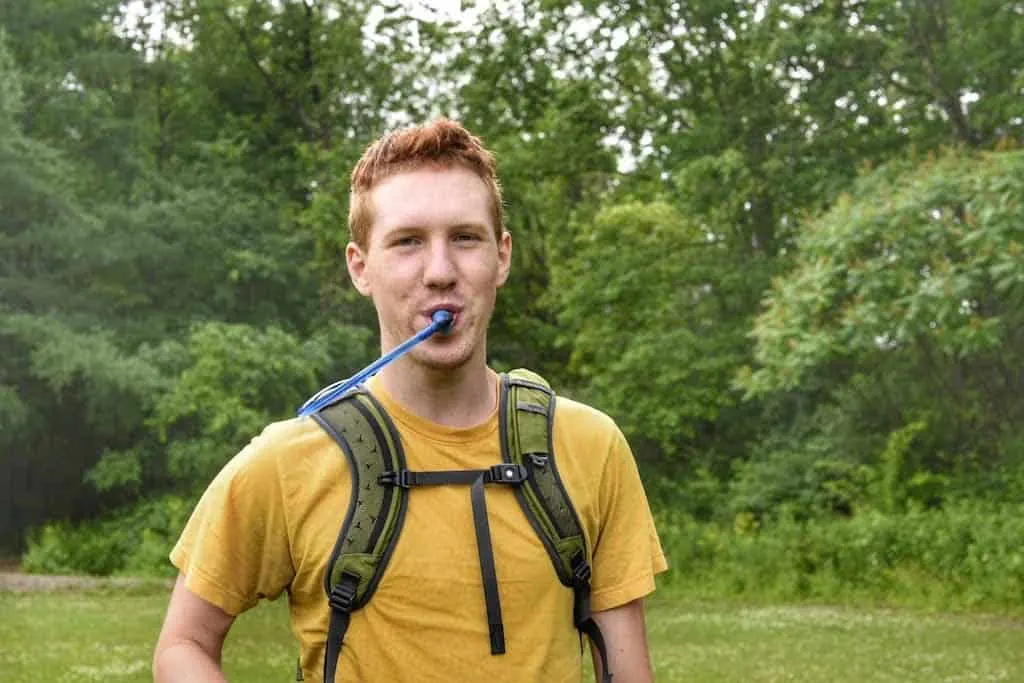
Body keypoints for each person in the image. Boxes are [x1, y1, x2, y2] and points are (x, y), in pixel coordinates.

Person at [153, 118, 668, 682]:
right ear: (360, 266)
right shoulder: (287, 462)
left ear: (502, 257)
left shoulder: (590, 447)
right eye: (407, 243)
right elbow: (183, 645)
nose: (440, 272)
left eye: (465, 238)